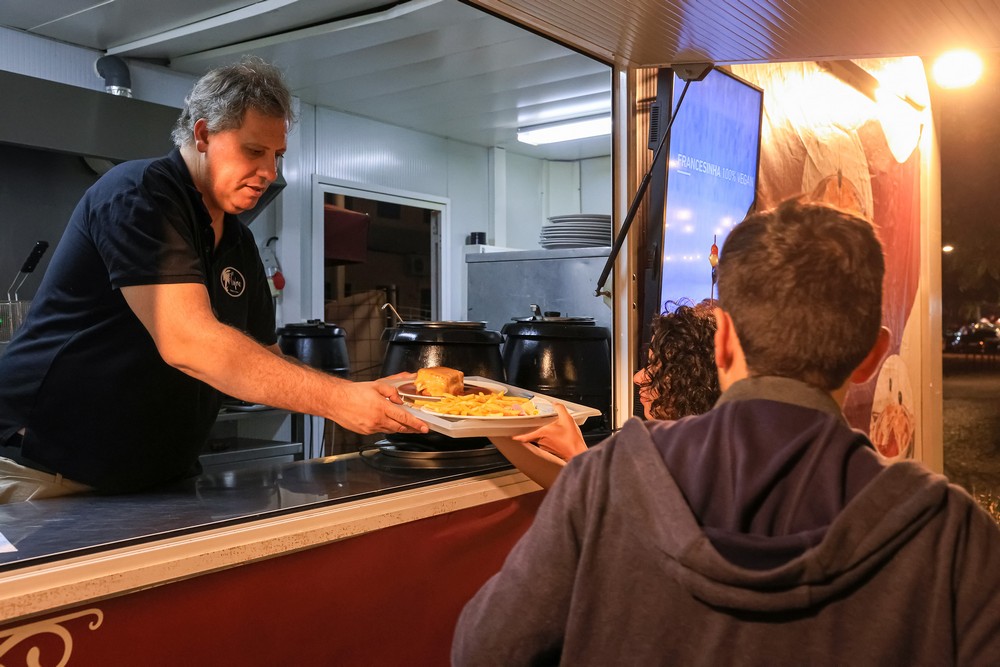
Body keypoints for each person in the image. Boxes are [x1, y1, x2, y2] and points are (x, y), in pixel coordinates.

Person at [453, 199, 1000, 665]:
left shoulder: (606, 478)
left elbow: (482, 651)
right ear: (872, 358)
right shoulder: (950, 531)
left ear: (723, 342)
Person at [0, 56, 426, 503]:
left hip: (156, 479)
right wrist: (341, 401)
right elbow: (188, 341)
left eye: (277, 156)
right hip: (44, 471)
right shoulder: (140, 195)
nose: (270, 173)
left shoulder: (239, 243)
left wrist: (360, 391)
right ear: (203, 135)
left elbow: (266, 357)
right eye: (254, 151)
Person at [490, 300, 719, 488]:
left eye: (657, 368)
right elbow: (581, 489)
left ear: (697, 383)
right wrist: (490, 424)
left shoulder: (709, 465)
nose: (638, 378)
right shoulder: (664, 443)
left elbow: (639, 527)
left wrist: (576, 453)